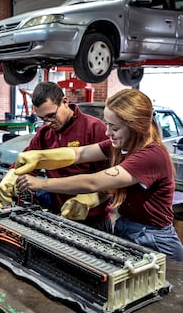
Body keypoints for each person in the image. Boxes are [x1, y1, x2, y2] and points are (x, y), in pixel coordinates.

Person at [14, 89, 183, 261]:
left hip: (153, 238)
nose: (107, 132)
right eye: (107, 124)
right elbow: (81, 153)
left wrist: (41, 184)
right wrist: (39, 156)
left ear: (135, 127)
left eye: (114, 127)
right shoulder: (122, 146)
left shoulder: (150, 155)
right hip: (125, 225)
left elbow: (93, 182)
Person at [0, 81, 111, 232]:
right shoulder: (45, 134)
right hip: (60, 216)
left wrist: (91, 199)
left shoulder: (94, 128)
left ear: (65, 102)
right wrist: (11, 177)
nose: (48, 123)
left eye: (51, 116)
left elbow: (112, 180)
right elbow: (28, 161)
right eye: (42, 118)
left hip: (93, 220)